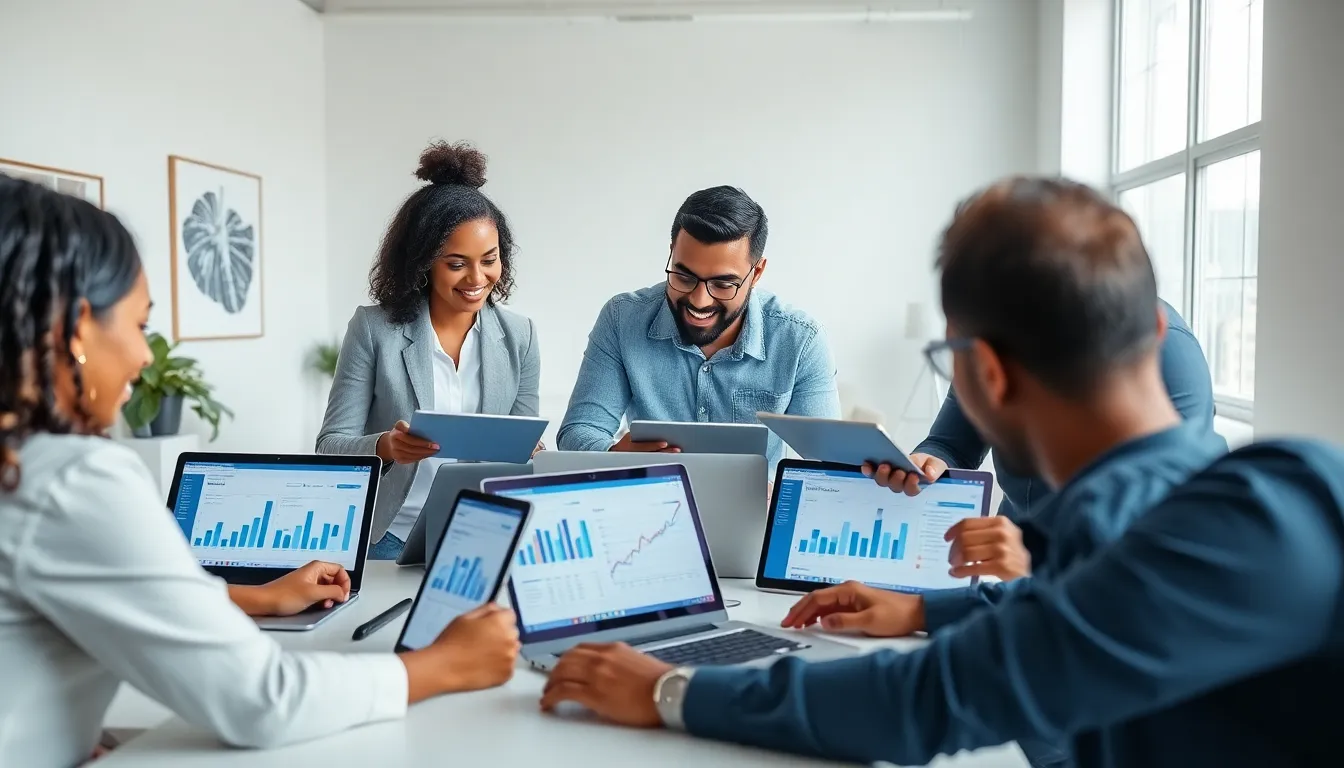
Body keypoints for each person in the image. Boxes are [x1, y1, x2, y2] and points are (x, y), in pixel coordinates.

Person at [536, 178, 1344, 767]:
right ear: (1157, 328)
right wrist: (925, 608)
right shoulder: (1270, 504)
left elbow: (930, 699)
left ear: (982, 375)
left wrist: (669, 691)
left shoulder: (1214, 535)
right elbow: (1087, 614)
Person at [0, 178, 520, 768]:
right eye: (139, 326)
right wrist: (443, 664)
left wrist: (256, 596)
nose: (145, 358)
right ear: (76, 328)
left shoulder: (24, 467)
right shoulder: (71, 480)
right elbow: (262, 699)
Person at [317, 141, 540, 560]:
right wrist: (386, 447)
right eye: (456, 263)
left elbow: (523, 449)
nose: (477, 278)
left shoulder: (520, 336)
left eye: (489, 259)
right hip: (388, 534)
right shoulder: (374, 329)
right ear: (421, 264)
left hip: (482, 530)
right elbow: (330, 446)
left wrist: (531, 452)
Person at [557, 186, 840, 472]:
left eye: (723, 284)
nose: (699, 301)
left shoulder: (801, 340)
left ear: (756, 273)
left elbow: (829, 465)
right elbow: (579, 430)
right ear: (671, 253)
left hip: (756, 503)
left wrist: (781, 489)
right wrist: (614, 455)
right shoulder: (622, 319)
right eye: (684, 277)